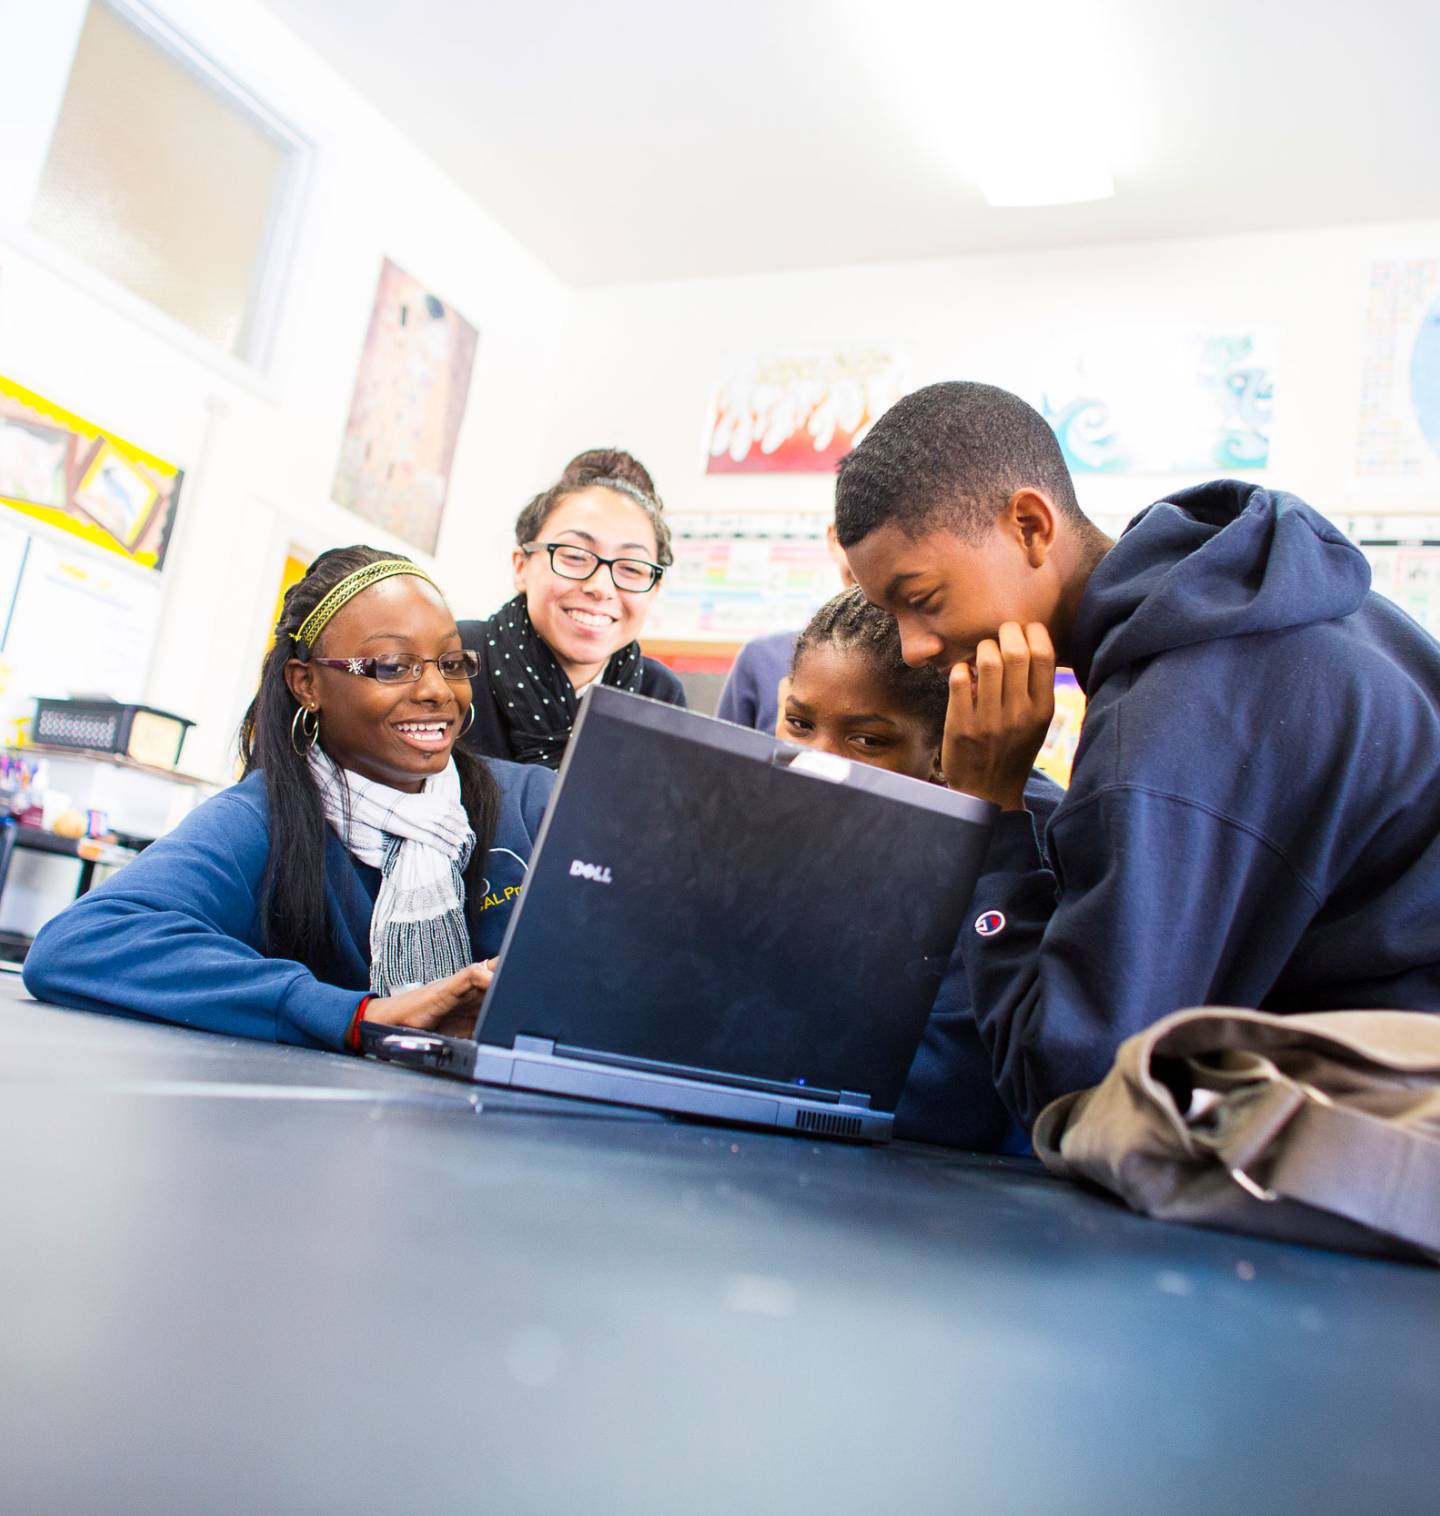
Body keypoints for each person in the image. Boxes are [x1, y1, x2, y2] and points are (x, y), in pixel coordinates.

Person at [834, 380, 1440, 1131]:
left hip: (1390, 1148)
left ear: (1029, 525)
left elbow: (1070, 1085)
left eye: (922, 599)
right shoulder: (1264, 596)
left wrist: (992, 805)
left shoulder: (1161, 728)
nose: (914, 648)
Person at [24, 546, 553, 1049]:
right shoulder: (262, 820)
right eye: (392, 666)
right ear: (307, 685)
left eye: (451, 663)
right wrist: (354, 1014)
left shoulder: (532, 806)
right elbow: (79, 943)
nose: (438, 690)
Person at [780, 587, 1062, 1149]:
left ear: (943, 748)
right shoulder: (777, 821)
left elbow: (952, 1094)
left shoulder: (1029, 843)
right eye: (800, 723)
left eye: (867, 739)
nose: (820, 762)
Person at [459, 449, 685, 767]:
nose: (601, 587)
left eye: (631, 568)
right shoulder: (454, 656)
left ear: (654, 589)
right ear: (521, 566)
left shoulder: (658, 695)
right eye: (575, 556)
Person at [715, 523, 853, 734]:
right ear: (834, 538)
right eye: (800, 724)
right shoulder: (761, 659)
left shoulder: (918, 663)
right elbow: (721, 763)